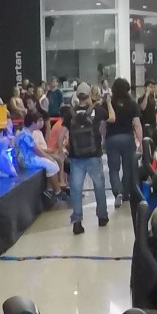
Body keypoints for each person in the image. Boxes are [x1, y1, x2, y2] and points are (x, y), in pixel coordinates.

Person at [66, 97, 110, 235]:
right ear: (88, 96)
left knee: (76, 189)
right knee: (99, 186)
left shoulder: (70, 113)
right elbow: (111, 118)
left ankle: (77, 222)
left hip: (76, 158)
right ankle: (102, 217)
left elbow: (62, 135)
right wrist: (108, 102)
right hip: (94, 155)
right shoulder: (97, 110)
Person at [103, 78, 142, 210]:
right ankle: (125, 194)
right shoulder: (132, 104)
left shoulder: (108, 104)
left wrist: (103, 138)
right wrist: (140, 142)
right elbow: (137, 124)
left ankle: (117, 191)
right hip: (127, 138)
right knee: (128, 167)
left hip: (112, 138)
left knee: (113, 168)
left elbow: (103, 123)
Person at [15, 111, 64, 200]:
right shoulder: (25, 135)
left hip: (30, 157)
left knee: (53, 164)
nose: (41, 123)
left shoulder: (27, 133)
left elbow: (37, 149)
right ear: (34, 123)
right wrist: (48, 157)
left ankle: (50, 190)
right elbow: (36, 149)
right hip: (27, 160)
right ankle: (57, 192)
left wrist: (48, 157)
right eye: (39, 121)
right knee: (52, 165)